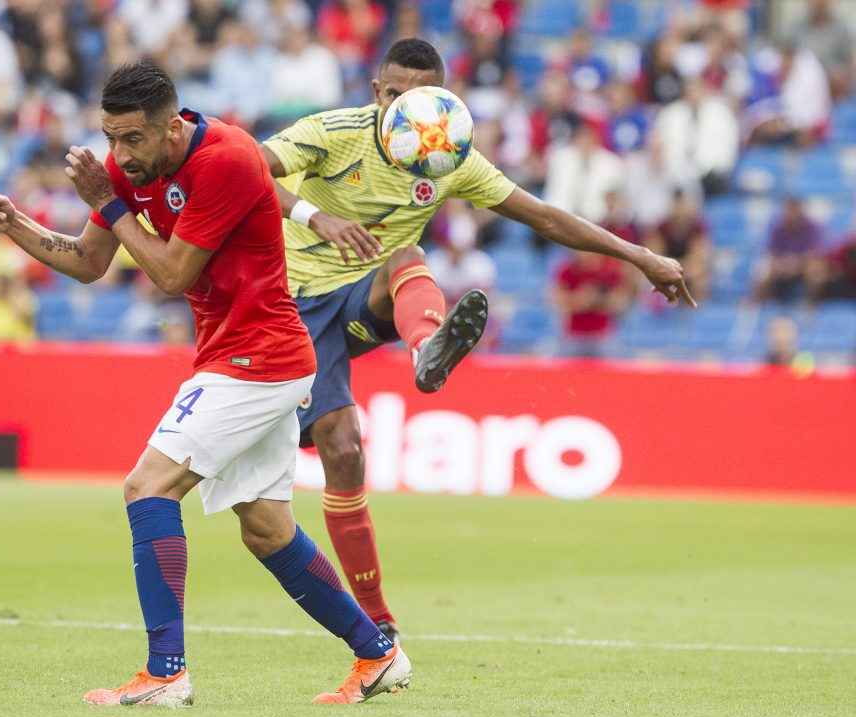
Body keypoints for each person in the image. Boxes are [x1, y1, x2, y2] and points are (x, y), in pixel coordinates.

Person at [0, 59, 409, 708]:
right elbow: (91, 264)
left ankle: (165, 672)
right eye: (110, 137)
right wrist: (17, 226)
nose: (118, 152)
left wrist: (109, 204)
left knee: (147, 487)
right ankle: (379, 654)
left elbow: (172, 274)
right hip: (245, 358)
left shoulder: (227, 158)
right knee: (266, 528)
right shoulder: (129, 171)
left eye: (131, 139)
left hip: (257, 359)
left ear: (171, 127)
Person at [261, 38, 695, 643]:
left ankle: (426, 349)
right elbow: (248, 168)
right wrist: (316, 216)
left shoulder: (450, 154)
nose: (405, 108)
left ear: (442, 98)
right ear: (375, 92)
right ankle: (376, 626)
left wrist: (639, 255)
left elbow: (543, 216)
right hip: (290, 304)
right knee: (344, 450)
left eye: (420, 96)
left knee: (408, 254)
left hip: (363, 299)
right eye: (394, 95)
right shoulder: (334, 132)